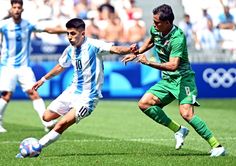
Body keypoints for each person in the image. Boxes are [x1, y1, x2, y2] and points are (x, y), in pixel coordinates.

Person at [16, 18, 133, 158]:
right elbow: (61, 66)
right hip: (72, 91)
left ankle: (36, 148)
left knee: (62, 124)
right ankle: (51, 133)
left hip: (89, 97)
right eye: (68, 34)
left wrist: (129, 50)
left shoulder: (94, 45)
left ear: (82, 33)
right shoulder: (70, 49)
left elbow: (115, 49)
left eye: (73, 34)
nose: (70, 37)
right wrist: (43, 79)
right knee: (46, 117)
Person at [122, 4, 226, 157]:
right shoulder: (155, 29)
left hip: (183, 79)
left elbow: (173, 65)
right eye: (153, 21)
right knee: (144, 103)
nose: (154, 25)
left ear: (168, 23)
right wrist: (136, 53)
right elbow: (151, 41)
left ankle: (217, 146)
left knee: (186, 113)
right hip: (168, 80)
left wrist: (148, 62)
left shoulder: (178, 37)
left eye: (157, 22)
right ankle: (179, 130)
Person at [0, 0, 66, 133]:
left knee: (34, 93)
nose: (17, 10)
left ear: (22, 9)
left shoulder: (28, 24)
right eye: (14, 7)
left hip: (24, 67)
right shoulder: (4, 25)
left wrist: (67, 30)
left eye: (19, 7)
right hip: (8, 66)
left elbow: (49, 30)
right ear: (11, 9)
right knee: (6, 95)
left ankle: (46, 122)